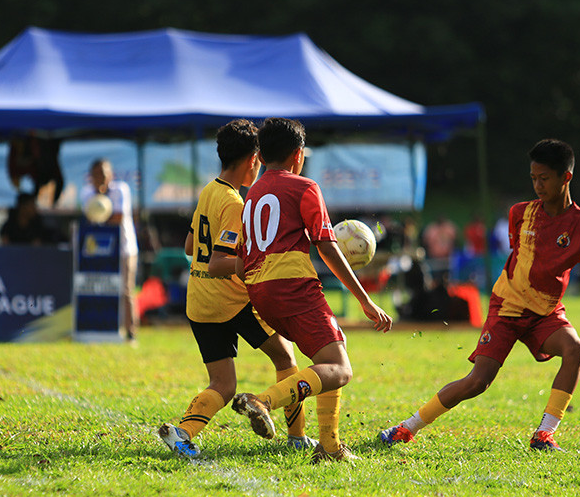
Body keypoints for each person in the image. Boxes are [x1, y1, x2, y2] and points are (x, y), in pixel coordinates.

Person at [379, 139, 580, 452]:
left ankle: (544, 435)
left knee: (575, 349)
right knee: (478, 382)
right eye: (533, 178)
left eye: (544, 178)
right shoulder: (520, 214)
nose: (537, 185)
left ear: (566, 177)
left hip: (544, 313)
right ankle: (406, 428)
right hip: (507, 308)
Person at [231, 118, 392, 463]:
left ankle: (330, 446)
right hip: (293, 286)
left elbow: (242, 258)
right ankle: (263, 401)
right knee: (340, 368)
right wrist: (364, 299)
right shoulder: (305, 187)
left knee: (329, 358)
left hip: (260, 291)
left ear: (261, 156)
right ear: (298, 155)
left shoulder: (252, 195)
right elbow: (327, 246)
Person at [158, 119, 316, 458]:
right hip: (230, 301)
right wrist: (246, 263)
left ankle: (182, 433)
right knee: (285, 356)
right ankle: (297, 437)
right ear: (253, 160)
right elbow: (218, 263)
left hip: (199, 301)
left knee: (223, 385)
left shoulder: (208, 191)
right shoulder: (233, 203)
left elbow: (190, 246)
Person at [80, 159, 139, 341]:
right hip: (99, 250)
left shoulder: (121, 190)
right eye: (96, 175)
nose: (100, 178)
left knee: (125, 290)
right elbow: (88, 218)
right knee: (99, 288)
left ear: (111, 175)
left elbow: (117, 217)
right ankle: (102, 328)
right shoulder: (86, 193)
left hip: (125, 249)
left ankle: (130, 332)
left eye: (103, 174)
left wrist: (99, 216)